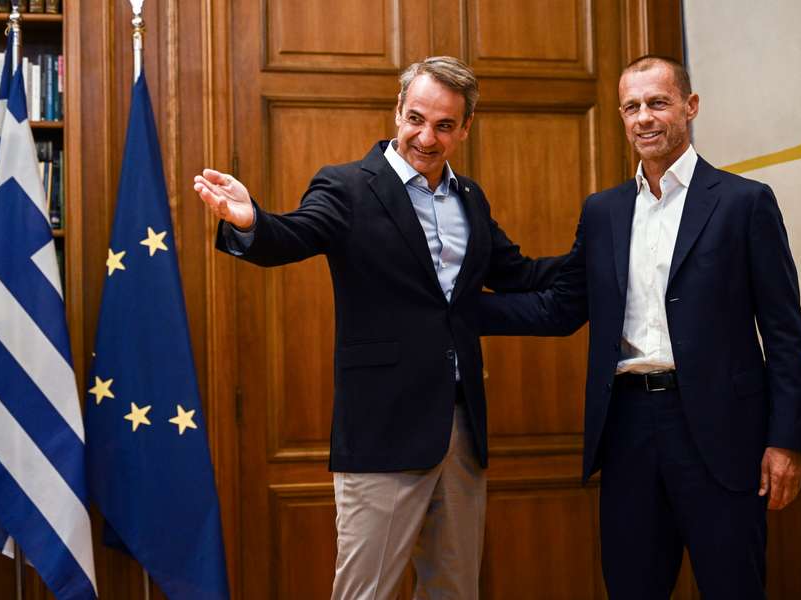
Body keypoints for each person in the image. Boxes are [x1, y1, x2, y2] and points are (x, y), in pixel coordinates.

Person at [193, 56, 562, 600]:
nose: (426, 138)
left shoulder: (471, 198)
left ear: (464, 128)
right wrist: (252, 222)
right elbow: (294, 235)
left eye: (443, 125)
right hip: (382, 432)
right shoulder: (347, 187)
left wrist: (599, 253)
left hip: (460, 431)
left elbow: (520, 274)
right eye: (416, 118)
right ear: (397, 111)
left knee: (455, 592)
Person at [478, 55, 801, 599]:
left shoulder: (744, 203)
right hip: (627, 426)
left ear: (689, 106)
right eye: (631, 107)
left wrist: (785, 440)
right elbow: (562, 309)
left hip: (722, 435)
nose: (644, 118)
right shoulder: (603, 211)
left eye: (657, 103)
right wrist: (460, 312)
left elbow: (784, 331)